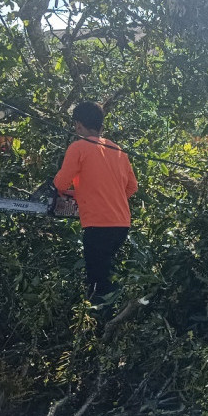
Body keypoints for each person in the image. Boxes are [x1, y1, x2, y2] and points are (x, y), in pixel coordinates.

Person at [54, 101, 138, 298]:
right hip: (121, 224)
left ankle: (100, 322)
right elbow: (132, 187)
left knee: (97, 283)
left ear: (78, 125)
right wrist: (104, 198)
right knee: (106, 274)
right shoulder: (117, 149)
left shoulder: (78, 147)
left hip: (98, 227)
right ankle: (113, 314)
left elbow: (61, 184)